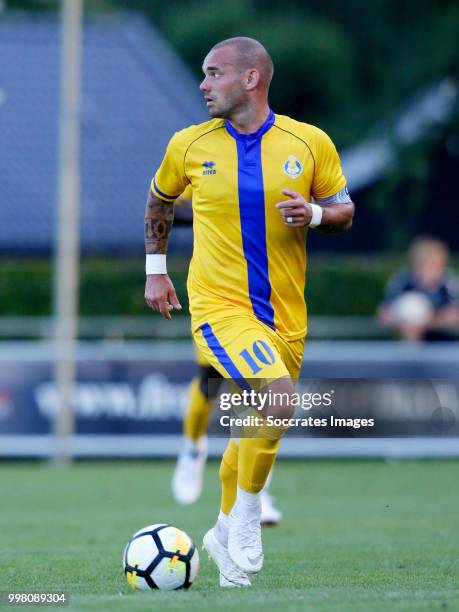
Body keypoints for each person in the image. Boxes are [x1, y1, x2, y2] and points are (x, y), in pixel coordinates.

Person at [144, 37, 354, 587]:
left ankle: (220, 530)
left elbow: (344, 210)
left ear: (251, 79)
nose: (203, 84)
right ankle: (246, 516)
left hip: (286, 316)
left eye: (213, 74)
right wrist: (156, 271)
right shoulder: (189, 145)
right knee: (277, 398)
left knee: (255, 429)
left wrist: (313, 214)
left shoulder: (308, 143)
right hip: (219, 307)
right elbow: (159, 200)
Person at [172, 186, 283, 524]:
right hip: (218, 298)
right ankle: (193, 448)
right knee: (210, 381)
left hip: (267, 297)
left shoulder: (282, 153)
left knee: (259, 395)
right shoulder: (207, 155)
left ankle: (256, 491)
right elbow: (167, 209)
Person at [378, 237, 459, 342]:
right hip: (407, 344)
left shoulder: (449, 282)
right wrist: (405, 322)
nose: (429, 270)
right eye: (424, 264)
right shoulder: (401, 282)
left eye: (435, 264)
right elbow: (383, 314)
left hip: (444, 344)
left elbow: (454, 315)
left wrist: (425, 323)